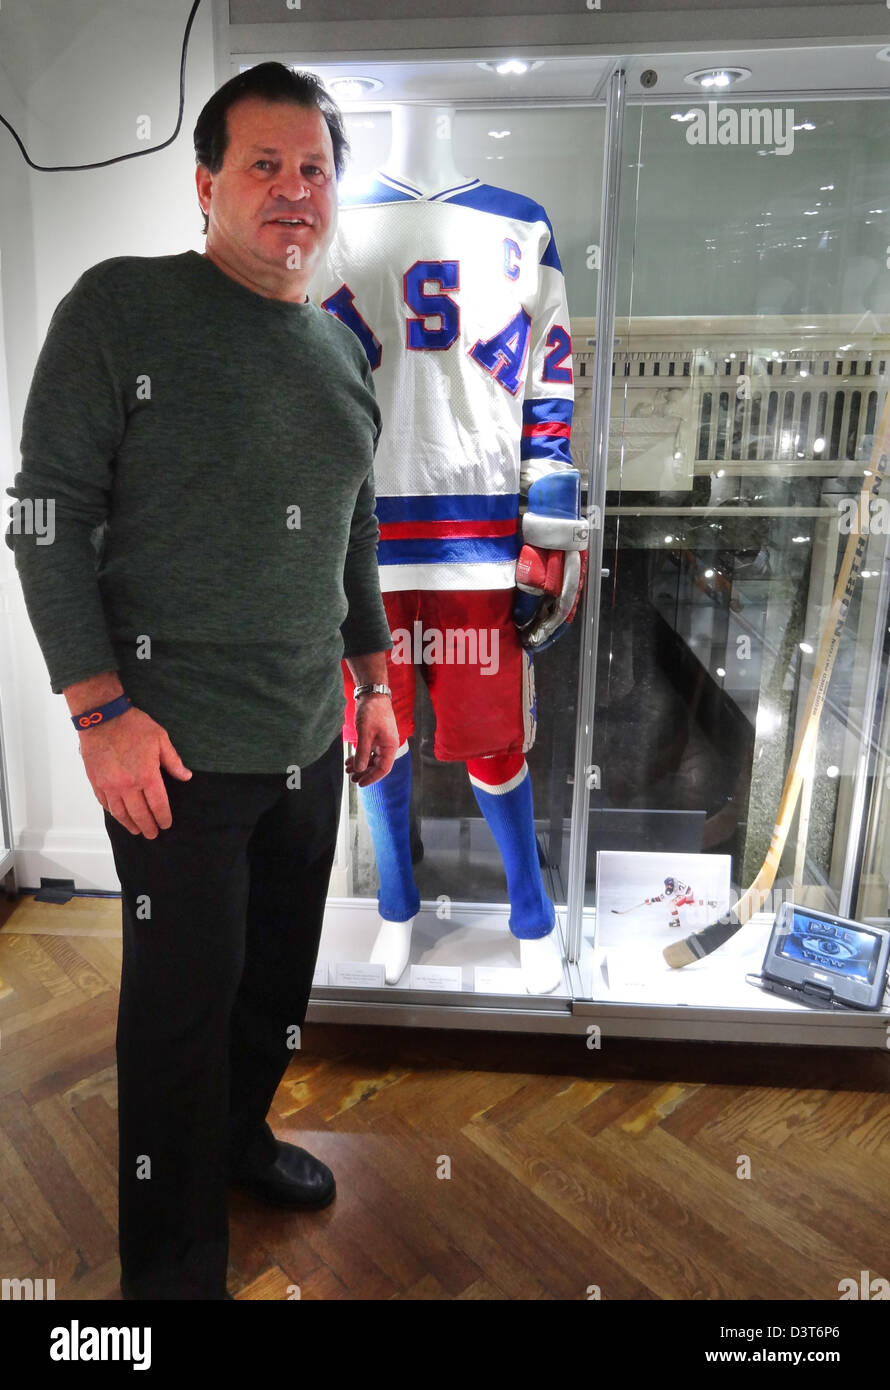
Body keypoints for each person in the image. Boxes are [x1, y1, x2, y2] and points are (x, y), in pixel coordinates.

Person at [5, 62, 398, 1301]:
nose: (293, 191)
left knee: (273, 982)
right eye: (265, 167)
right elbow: (44, 512)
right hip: (169, 748)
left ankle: (234, 1146)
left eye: (314, 170)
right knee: (180, 1011)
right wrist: (99, 710)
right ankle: (169, 1279)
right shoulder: (122, 308)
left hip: (307, 740)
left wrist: (375, 676)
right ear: (207, 185)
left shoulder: (337, 348)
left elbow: (353, 526)